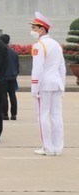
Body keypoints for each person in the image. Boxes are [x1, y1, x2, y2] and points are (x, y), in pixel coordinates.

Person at [29, 11, 65, 156]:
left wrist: (34, 87)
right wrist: (61, 85)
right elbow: (62, 67)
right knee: (56, 115)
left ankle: (47, 148)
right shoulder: (56, 44)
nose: (32, 31)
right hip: (56, 83)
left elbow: (37, 69)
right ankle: (58, 147)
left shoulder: (39, 45)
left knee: (43, 115)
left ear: (42, 29)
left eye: (34, 28)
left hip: (43, 84)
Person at [0, 33, 19, 121]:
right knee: (12, 96)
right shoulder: (14, 52)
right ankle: (14, 114)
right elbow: (17, 65)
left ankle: (5, 114)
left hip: (3, 77)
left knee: (3, 96)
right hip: (12, 76)